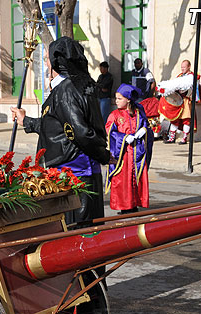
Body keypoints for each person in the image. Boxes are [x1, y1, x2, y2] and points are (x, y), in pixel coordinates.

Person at [11, 37, 111, 226]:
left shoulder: (67, 90)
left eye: (48, 58)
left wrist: (103, 155)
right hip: (74, 171)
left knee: (79, 233)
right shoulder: (72, 86)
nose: (46, 62)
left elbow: (79, 132)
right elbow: (57, 127)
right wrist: (27, 121)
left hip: (76, 174)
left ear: (56, 62)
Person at [105, 84, 153, 213]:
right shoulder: (114, 114)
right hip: (123, 153)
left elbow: (145, 124)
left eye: (119, 99)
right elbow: (110, 130)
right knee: (122, 180)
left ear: (128, 100)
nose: (116, 101)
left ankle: (134, 204)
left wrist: (143, 131)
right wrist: (124, 137)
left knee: (135, 178)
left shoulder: (138, 112)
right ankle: (124, 206)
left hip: (137, 151)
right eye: (116, 98)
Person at [159, 60, 200, 145]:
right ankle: (171, 137)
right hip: (177, 100)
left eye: (184, 67)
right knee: (174, 119)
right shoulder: (180, 76)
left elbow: (194, 89)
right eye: (181, 67)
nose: (182, 69)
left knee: (186, 119)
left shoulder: (193, 76)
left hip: (186, 100)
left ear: (189, 67)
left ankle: (184, 138)